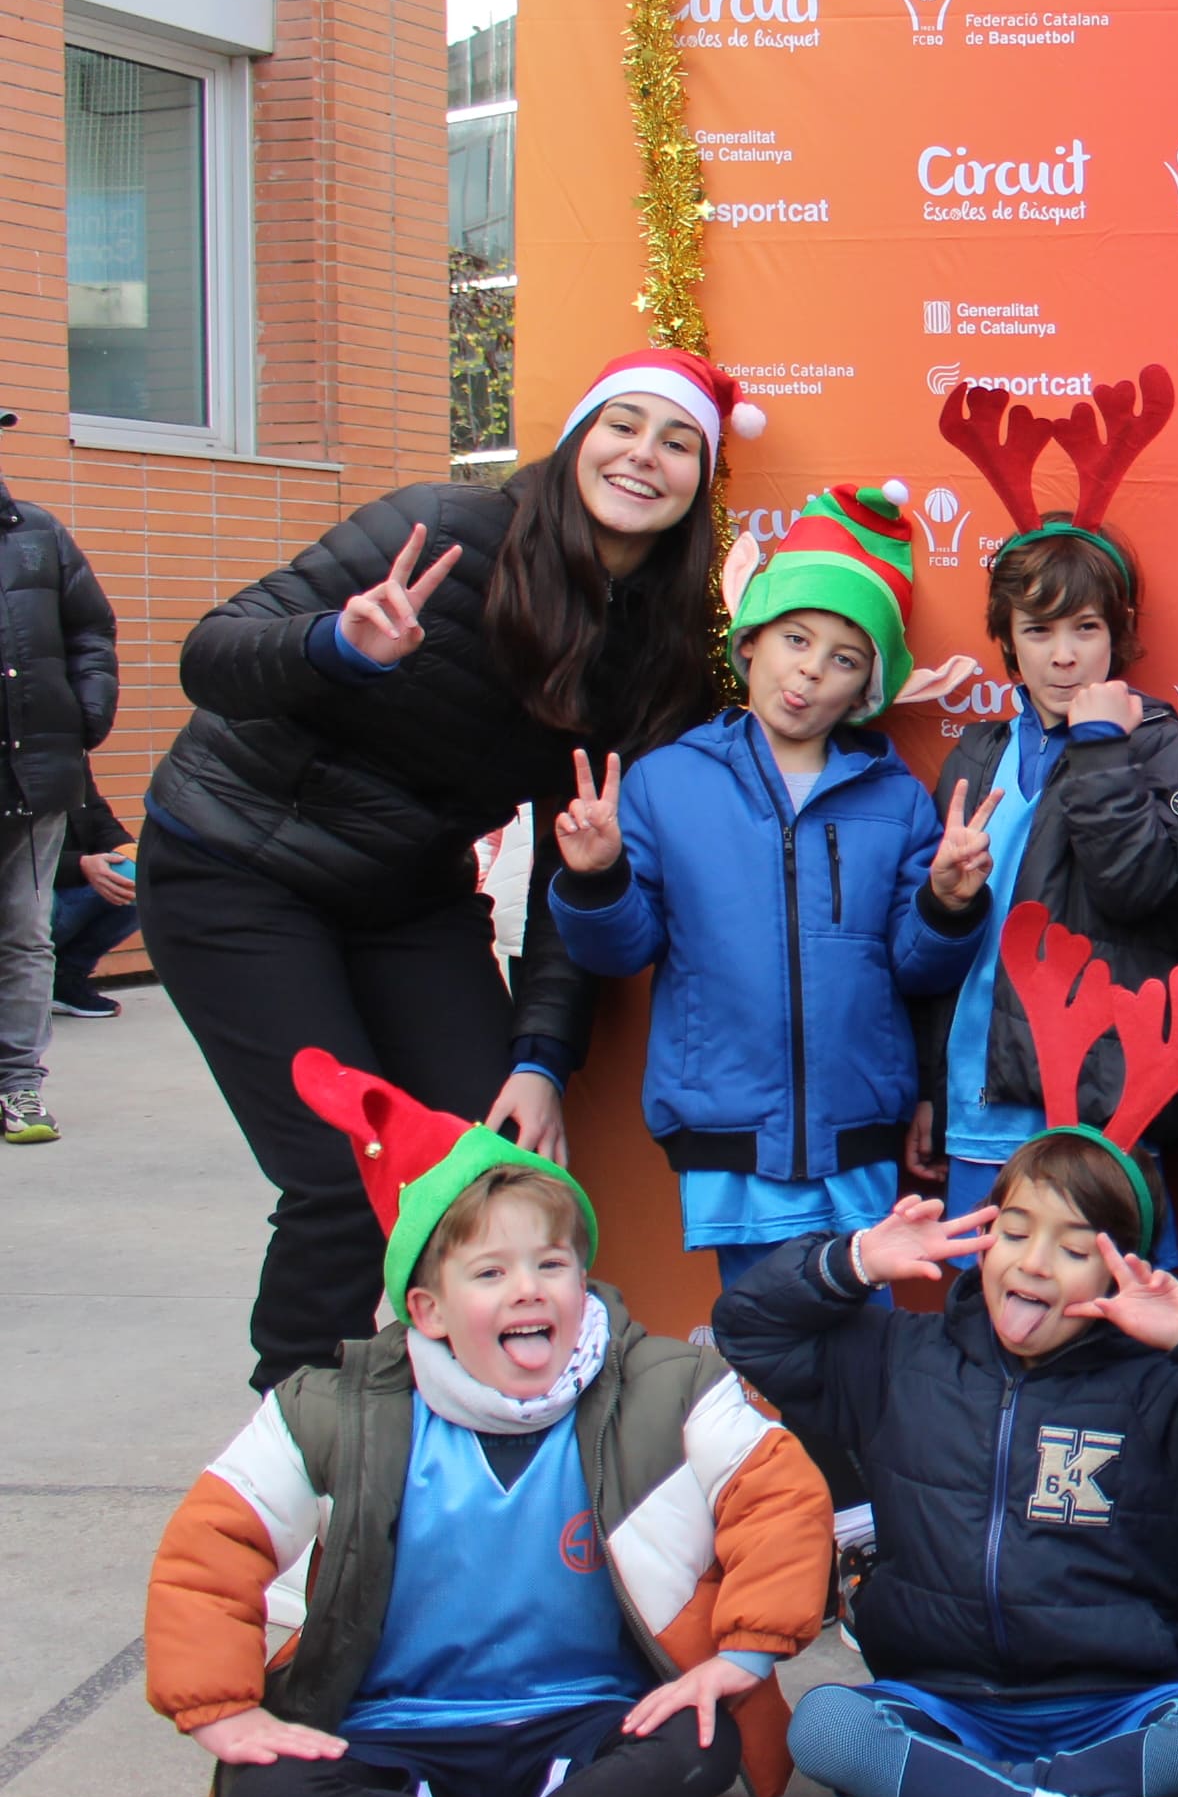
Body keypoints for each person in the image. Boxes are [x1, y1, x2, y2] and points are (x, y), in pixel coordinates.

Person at [145, 1050, 833, 1797]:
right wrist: (220, 1710)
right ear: (425, 1310)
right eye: (491, 1273)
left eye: (553, 1263)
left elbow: (779, 1494)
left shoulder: (665, 1384)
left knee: (697, 1741)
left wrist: (743, 1655)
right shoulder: (330, 1409)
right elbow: (211, 1544)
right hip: (394, 1730)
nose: (528, 1290)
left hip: (589, 1721)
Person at [145, 345, 740, 1388]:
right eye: (623, 427)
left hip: (406, 892)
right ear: (577, 440)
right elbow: (211, 653)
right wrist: (335, 644)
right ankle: (302, 1436)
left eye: (678, 441)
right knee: (340, 1174)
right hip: (237, 864)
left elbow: (580, 862)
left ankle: (469, 1428)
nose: (644, 457)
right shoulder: (448, 532)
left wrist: (542, 1058)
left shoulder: (658, 648)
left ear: (700, 481)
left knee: (488, 1164)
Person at [716, 966, 1178, 1797]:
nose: (1034, 1262)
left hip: (1112, 1704)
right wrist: (850, 1262)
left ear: (1120, 1265)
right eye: (1015, 1230)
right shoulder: (902, 1357)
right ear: (986, 1239)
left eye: (1072, 1242)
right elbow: (746, 1329)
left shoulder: (1159, 1389)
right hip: (940, 1700)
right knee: (829, 1726)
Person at [546, 483, 990, 1294]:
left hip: (856, 1139)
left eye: (845, 660)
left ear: (867, 692)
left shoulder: (894, 799)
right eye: (796, 638)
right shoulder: (665, 782)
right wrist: (597, 873)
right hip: (729, 1133)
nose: (810, 672)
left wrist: (948, 902)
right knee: (762, 1340)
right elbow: (622, 948)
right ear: (750, 641)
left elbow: (917, 967)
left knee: (862, 1347)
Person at [917, 368, 1178, 1230]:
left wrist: (1099, 747)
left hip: (1100, 1099)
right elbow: (942, 946)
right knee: (992, 1310)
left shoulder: (1157, 743)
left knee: (1112, 1319)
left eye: (1085, 629)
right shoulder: (977, 749)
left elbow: (1140, 889)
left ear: (1117, 635)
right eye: (1038, 631)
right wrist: (931, 1086)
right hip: (978, 1095)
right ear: (1008, 643)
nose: (1063, 656)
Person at [0, 468, 116, 1137]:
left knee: (23, 932)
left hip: (32, 771)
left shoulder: (37, 533)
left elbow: (90, 630)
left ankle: (18, 1085)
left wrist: (87, 712)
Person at [50, 779, 139, 1019]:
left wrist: (127, 852)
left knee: (140, 881)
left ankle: (65, 980)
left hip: (68, 880)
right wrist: (79, 865)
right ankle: (19, 986)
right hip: (27, 888)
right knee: (37, 903)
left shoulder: (70, 750)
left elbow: (97, 814)